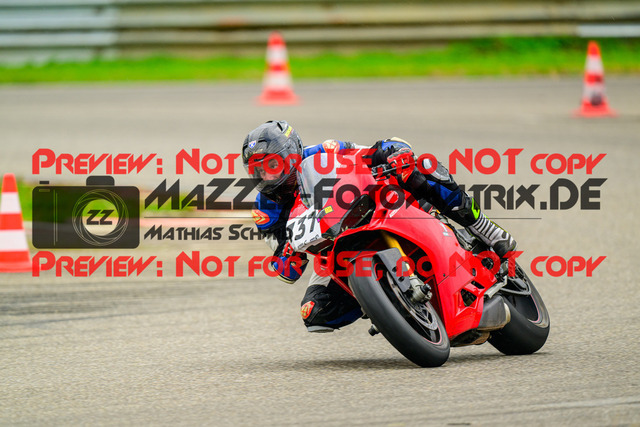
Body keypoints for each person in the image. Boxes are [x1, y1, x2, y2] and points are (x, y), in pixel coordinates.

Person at [242, 120, 516, 333]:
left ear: (291, 154)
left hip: (373, 207)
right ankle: (384, 301)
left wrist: (395, 153)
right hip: (333, 253)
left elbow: (373, 152)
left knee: (423, 166)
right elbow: (287, 268)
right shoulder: (264, 210)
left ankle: (483, 227)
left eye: (272, 165)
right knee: (314, 312)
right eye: (258, 170)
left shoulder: (325, 151)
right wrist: (287, 253)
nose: (266, 175)